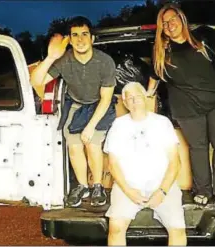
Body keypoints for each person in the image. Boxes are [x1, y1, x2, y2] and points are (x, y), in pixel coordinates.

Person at [147, 4, 215, 212]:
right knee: (198, 149)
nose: (170, 25)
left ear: (181, 18)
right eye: (164, 24)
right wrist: (147, 95)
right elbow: (154, 75)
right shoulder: (162, 51)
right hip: (187, 107)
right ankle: (203, 191)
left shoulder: (204, 36)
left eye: (172, 19)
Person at [30, 16, 116, 207]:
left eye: (84, 34)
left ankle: (97, 186)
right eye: (75, 35)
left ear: (92, 39)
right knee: (74, 145)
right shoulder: (64, 59)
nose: (80, 39)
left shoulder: (105, 61)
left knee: (92, 143)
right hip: (76, 105)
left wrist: (91, 126)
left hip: (99, 105)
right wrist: (51, 57)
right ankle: (83, 185)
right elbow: (36, 81)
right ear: (69, 39)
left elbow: (106, 98)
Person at [104, 82, 187, 246]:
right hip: (128, 186)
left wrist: (162, 191)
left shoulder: (162, 123)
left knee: (177, 230)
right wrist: (129, 191)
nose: (135, 101)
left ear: (146, 99)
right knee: (116, 228)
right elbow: (112, 164)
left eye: (138, 97)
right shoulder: (118, 125)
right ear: (125, 103)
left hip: (162, 185)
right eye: (130, 98)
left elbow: (175, 162)